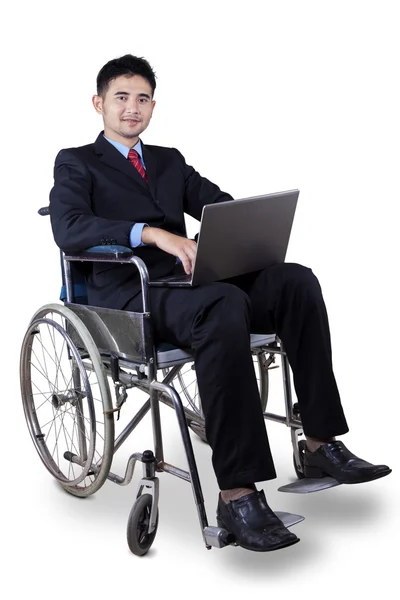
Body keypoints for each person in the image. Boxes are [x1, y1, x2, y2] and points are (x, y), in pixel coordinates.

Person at [49, 54, 392, 553]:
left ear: (153, 106)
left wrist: (238, 234)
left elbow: (219, 204)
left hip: (194, 286)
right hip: (131, 294)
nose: (132, 108)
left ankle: (319, 443)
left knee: (296, 281)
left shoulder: (168, 160)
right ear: (99, 103)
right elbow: (69, 227)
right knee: (224, 305)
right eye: (121, 97)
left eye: (142, 98)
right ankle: (236, 493)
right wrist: (151, 234)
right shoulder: (76, 161)